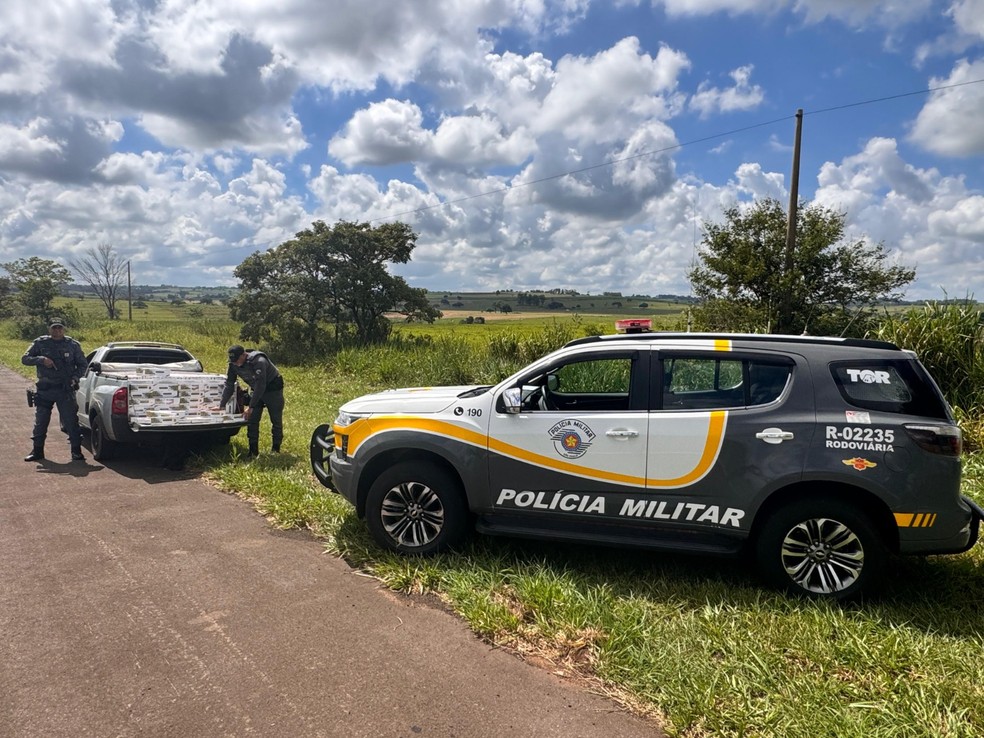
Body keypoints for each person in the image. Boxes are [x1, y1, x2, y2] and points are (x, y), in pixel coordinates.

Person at [22, 317, 87, 462]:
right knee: (41, 422)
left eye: (59, 328)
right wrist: (41, 360)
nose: (57, 331)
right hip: (45, 389)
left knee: (71, 422)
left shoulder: (73, 345)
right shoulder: (40, 343)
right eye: (54, 328)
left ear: (63, 329)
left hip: (65, 390)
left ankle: (76, 452)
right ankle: (37, 451)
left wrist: (75, 378)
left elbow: (83, 365)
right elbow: (25, 359)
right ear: (49, 329)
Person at [219, 345, 285, 458]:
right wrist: (221, 405)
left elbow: (261, 385)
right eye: (232, 361)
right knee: (252, 420)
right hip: (256, 389)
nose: (235, 363)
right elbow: (229, 385)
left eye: (237, 360)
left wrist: (251, 406)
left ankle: (275, 449)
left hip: (272, 389)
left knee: (276, 420)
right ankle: (253, 451)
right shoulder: (233, 365)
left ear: (244, 355)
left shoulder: (259, 361)